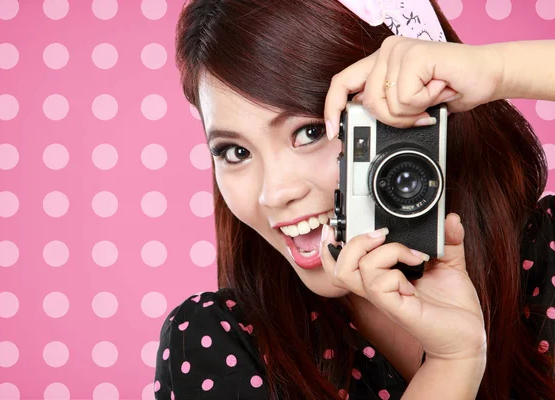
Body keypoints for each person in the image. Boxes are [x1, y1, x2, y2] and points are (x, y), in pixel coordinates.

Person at [154, 0, 555, 398]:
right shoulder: (214, 342)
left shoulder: (545, 252)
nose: (274, 193)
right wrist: (453, 364)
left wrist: (498, 70)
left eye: (310, 132)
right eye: (234, 152)